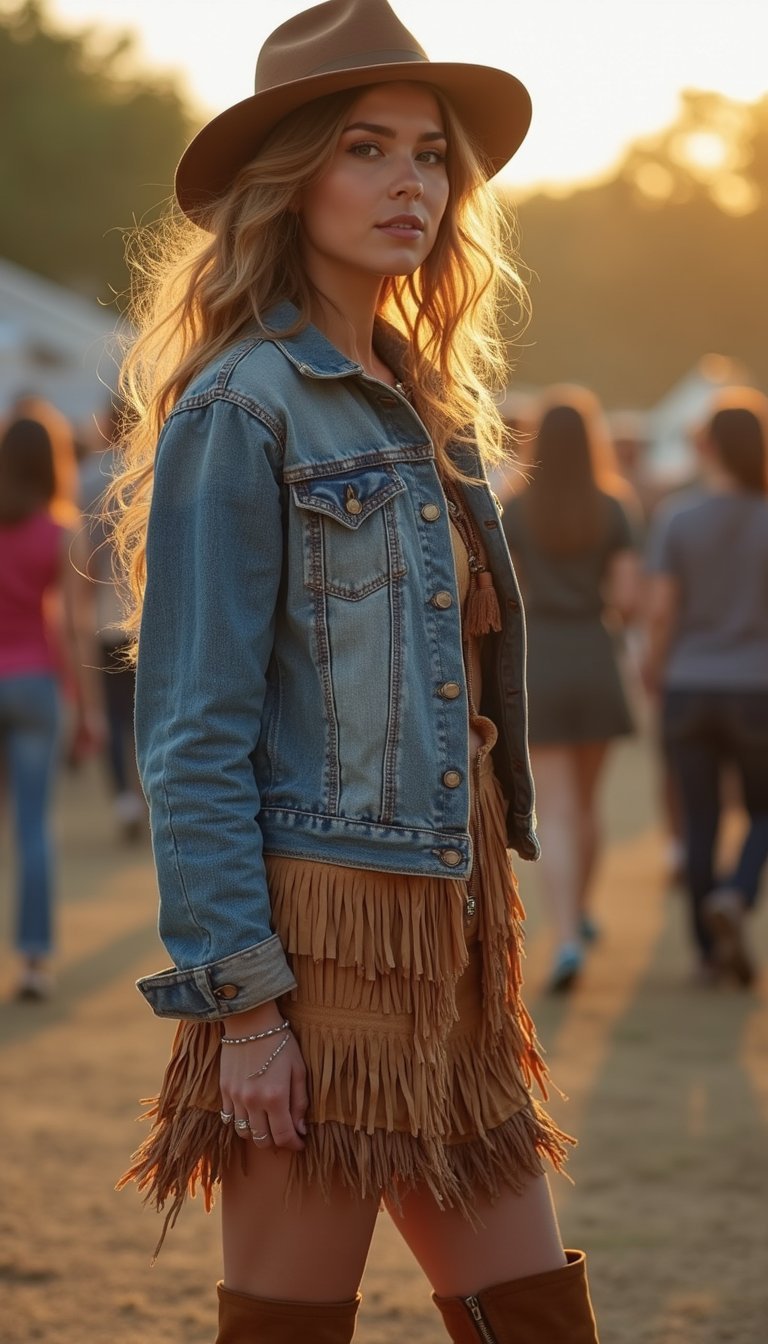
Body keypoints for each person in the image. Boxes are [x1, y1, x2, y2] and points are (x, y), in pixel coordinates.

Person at [114, 3, 600, 1340]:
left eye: (431, 155)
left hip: (456, 939)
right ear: (292, 179)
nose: (411, 185)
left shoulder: (429, 401)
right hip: (316, 950)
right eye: (367, 149)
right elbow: (193, 732)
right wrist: (247, 1015)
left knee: (536, 1319)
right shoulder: (240, 405)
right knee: (290, 1328)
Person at [502, 387, 640, 992]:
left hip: (541, 660)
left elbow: (506, 591)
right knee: (586, 804)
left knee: (554, 807)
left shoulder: (515, 507)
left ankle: (563, 939)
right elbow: (628, 598)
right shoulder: (614, 507)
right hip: (594, 655)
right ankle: (579, 915)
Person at [643, 387, 768, 987]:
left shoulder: (678, 518)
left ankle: (706, 953)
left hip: (689, 683)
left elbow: (662, 611)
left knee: (701, 820)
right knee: (763, 810)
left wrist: (654, 668)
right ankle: (737, 893)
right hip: (758, 688)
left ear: (709, 448)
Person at [0, 405, 102, 999]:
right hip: (36, 686)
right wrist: (89, 712)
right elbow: (73, 628)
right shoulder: (62, 532)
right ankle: (35, 962)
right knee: (34, 827)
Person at [79, 402, 144, 841]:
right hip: (147, 609)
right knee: (147, 710)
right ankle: (147, 792)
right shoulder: (151, 469)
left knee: (115, 711)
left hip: (105, 609)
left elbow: (81, 555)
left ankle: (124, 797)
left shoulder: (88, 477)